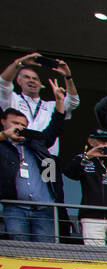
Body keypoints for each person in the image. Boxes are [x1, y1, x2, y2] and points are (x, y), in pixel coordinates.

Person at [0, 81, 67, 242]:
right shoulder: (2, 145)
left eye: (23, 125)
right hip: (15, 207)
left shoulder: (35, 143)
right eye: (15, 123)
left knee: (46, 254)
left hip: (43, 209)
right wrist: (4, 135)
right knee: (20, 251)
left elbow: (54, 128)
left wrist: (59, 102)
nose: (20, 127)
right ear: (3, 123)